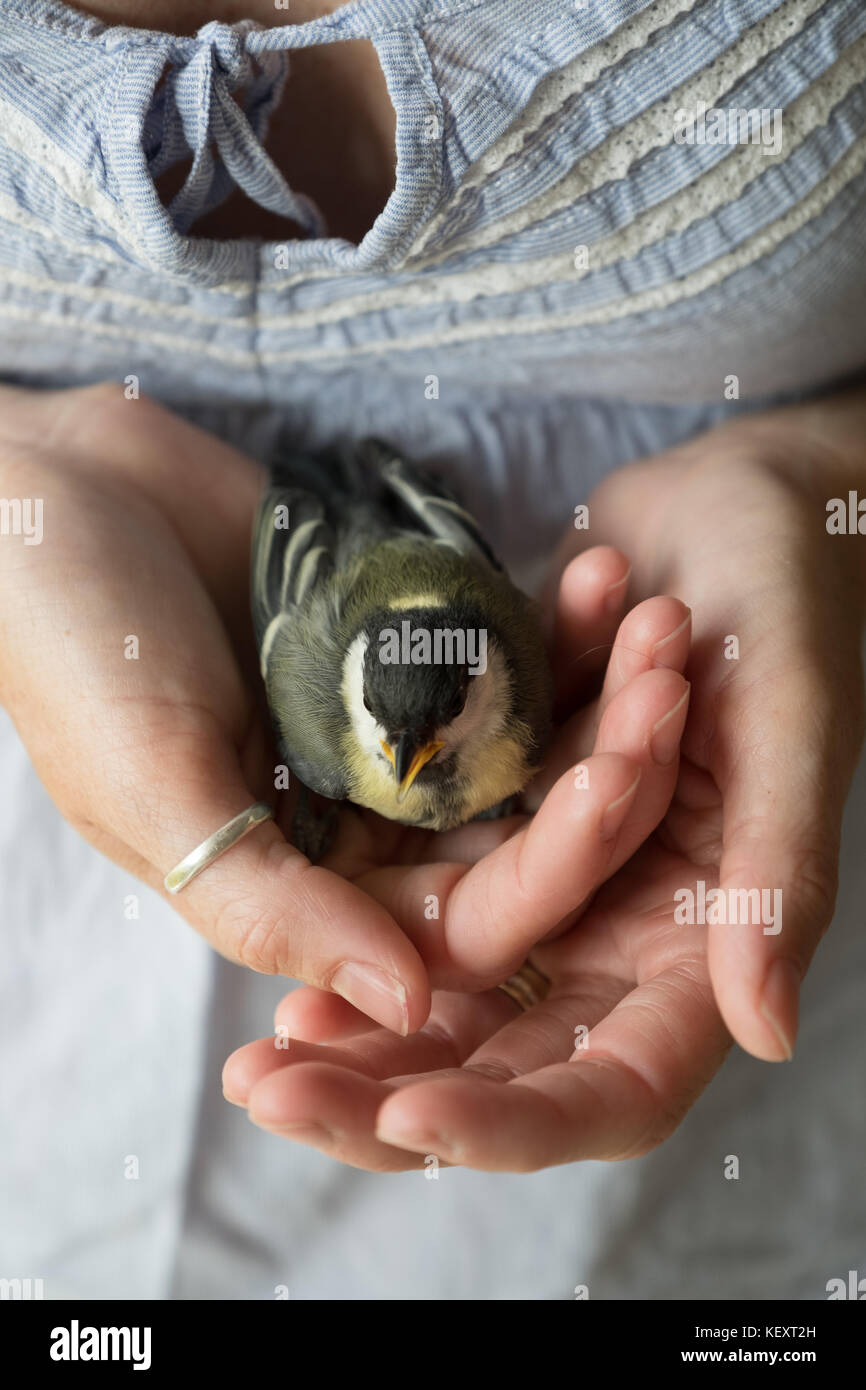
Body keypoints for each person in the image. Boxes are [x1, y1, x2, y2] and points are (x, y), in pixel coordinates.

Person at [0, 0, 864, 1299]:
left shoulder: (495, 673)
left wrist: (819, 482)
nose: (402, 758)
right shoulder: (343, 713)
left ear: (493, 679)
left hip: (649, 1170)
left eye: (429, 731)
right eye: (387, 741)